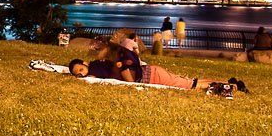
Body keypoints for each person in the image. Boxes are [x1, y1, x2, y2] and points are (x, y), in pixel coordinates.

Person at [68, 58, 249, 94]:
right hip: (151, 72)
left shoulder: (95, 68)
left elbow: (97, 76)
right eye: (78, 74)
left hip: (150, 76)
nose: (82, 75)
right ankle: (229, 83)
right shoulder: (100, 64)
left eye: (81, 70)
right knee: (190, 82)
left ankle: (233, 87)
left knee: (190, 85)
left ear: (85, 63)